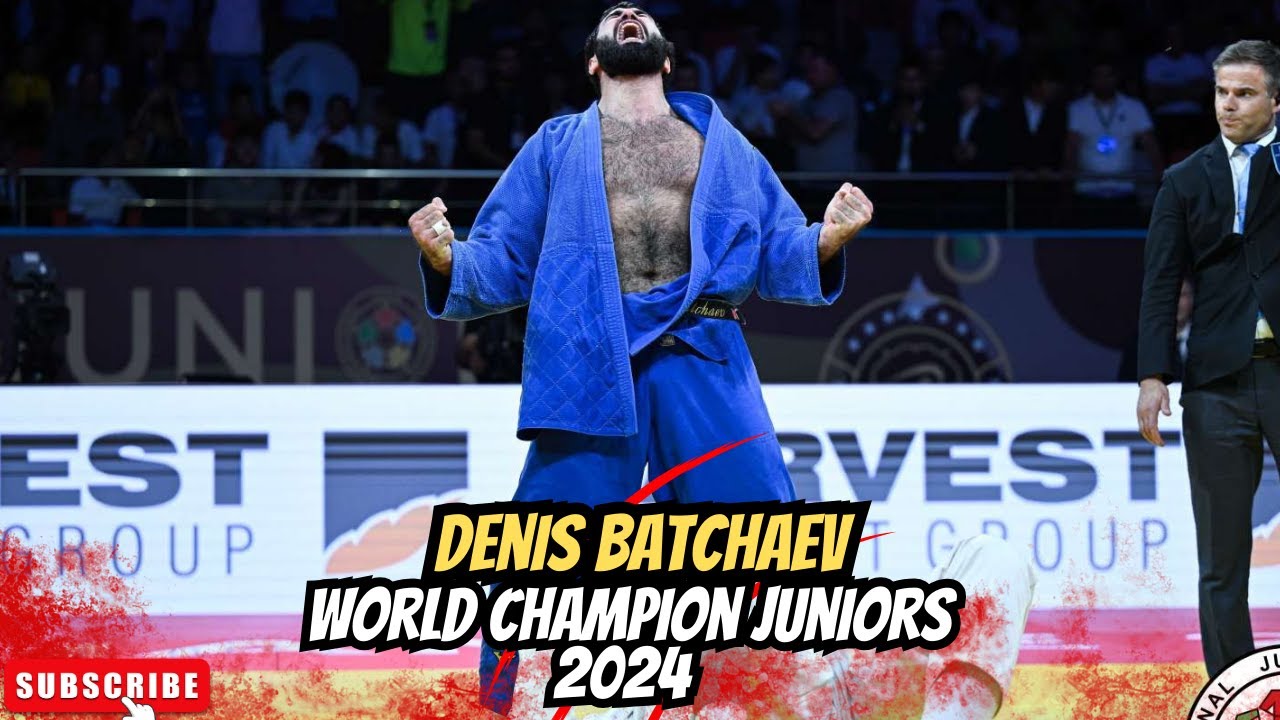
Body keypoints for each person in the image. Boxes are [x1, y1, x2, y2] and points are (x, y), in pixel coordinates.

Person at [1136, 39, 1280, 679]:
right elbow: (1161, 283)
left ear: (1275, 100)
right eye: (1222, 92)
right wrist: (1153, 374)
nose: (1229, 104)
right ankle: (1235, 690)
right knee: (1221, 555)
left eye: (1245, 93)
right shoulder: (1184, 178)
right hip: (1216, 380)